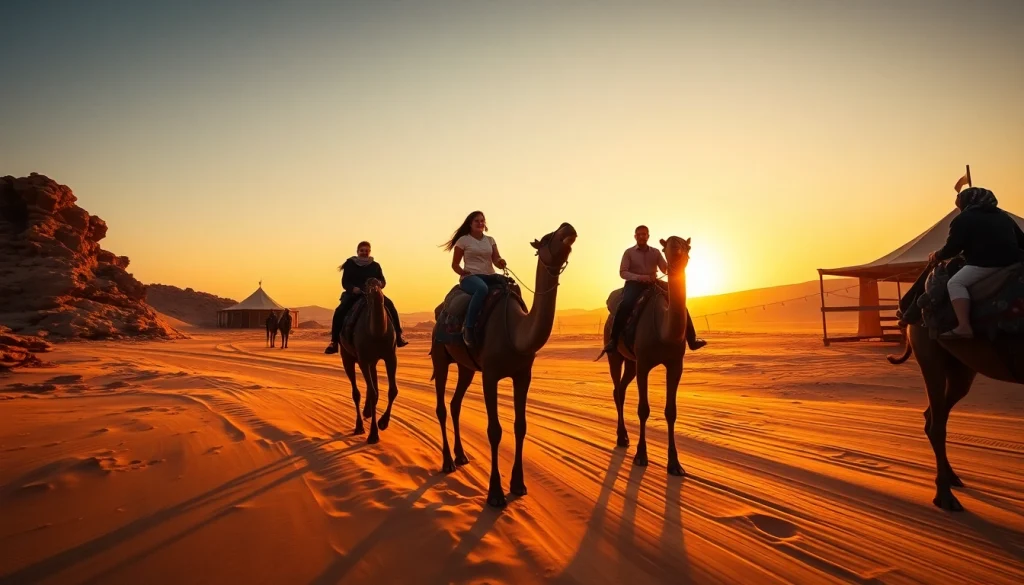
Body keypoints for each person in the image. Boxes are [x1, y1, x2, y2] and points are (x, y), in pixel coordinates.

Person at [928, 187, 1024, 338]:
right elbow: (1022, 242)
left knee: (955, 283)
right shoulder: (1004, 217)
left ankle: (964, 326)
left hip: (984, 265)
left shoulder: (963, 219)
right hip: (1013, 262)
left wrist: (937, 255)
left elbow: (952, 248)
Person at [603, 225, 706, 354]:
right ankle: (614, 340)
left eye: (644, 234)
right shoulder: (629, 252)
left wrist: (676, 262)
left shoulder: (656, 252)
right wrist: (640, 277)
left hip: (653, 283)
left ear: (648, 236)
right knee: (625, 305)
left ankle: (692, 339)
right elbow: (623, 272)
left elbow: (665, 268)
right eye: (639, 234)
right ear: (635, 236)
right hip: (634, 284)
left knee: (678, 303)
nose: (641, 236)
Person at [324, 241, 407, 354]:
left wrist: (379, 284)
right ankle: (334, 342)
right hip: (355, 294)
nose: (364, 253)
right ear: (357, 252)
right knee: (340, 311)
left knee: (391, 306)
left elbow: (383, 281)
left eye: (366, 251)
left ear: (370, 252)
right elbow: (345, 282)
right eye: (362, 251)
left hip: (372, 294)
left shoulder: (375, 265)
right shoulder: (350, 264)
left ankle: (398, 336)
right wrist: (353, 289)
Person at [442, 211, 507, 347]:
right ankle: (469, 328)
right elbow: (455, 264)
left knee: (510, 287)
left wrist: (500, 261)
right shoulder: (463, 240)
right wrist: (463, 272)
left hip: (489, 275)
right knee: (482, 289)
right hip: (471, 277)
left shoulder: (490, 240)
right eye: (476, 221)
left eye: (482, 221)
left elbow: (495, 259)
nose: (480, 223)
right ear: (470, 224)